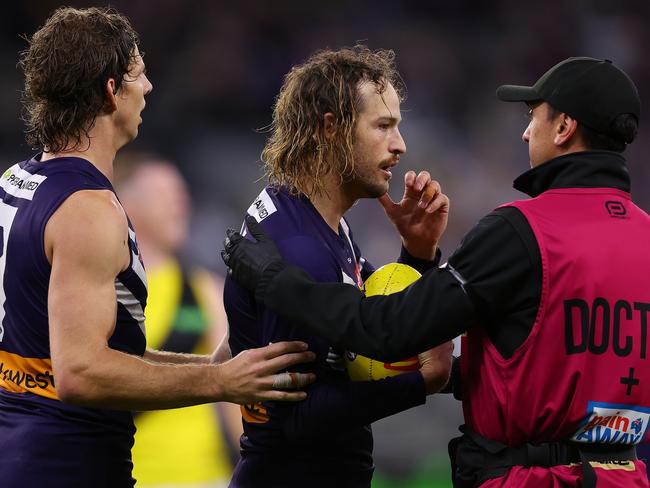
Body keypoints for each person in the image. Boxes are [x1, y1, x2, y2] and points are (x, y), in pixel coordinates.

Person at [223, 56, 650, 487]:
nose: (524, 132)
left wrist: (276, 281)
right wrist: (417, 260)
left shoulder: (522, 232)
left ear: (563, 128)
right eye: (384, 126)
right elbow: (294, 415)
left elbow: (389, 329)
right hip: (623, 475)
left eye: (533, 117)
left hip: (534, 478)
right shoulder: (645, 235)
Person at [0, 7, 314, 487]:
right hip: (65, 464)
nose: (147, 88)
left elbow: (76, 354)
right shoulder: (88, 209)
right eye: (139, 74)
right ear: (111, 90)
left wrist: (217, 369)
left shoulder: (18, 181)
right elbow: (81, 372)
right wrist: (218, 382)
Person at [223, 45, 454, 488]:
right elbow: (297, 418)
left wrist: (417, 254)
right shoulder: (299, 249)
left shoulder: (312, 220)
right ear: (332, 128)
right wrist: (421, 384)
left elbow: (375, 321)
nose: (400, 145)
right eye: (383, 126)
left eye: (398, 127)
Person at [117, 156, 242, 487]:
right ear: (127, 205)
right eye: (165, 196)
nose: (181, 206)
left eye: (182, 196)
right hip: (127, 475)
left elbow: (234, 392)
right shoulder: (100, 291)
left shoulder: (205, 290)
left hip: (203, 475)